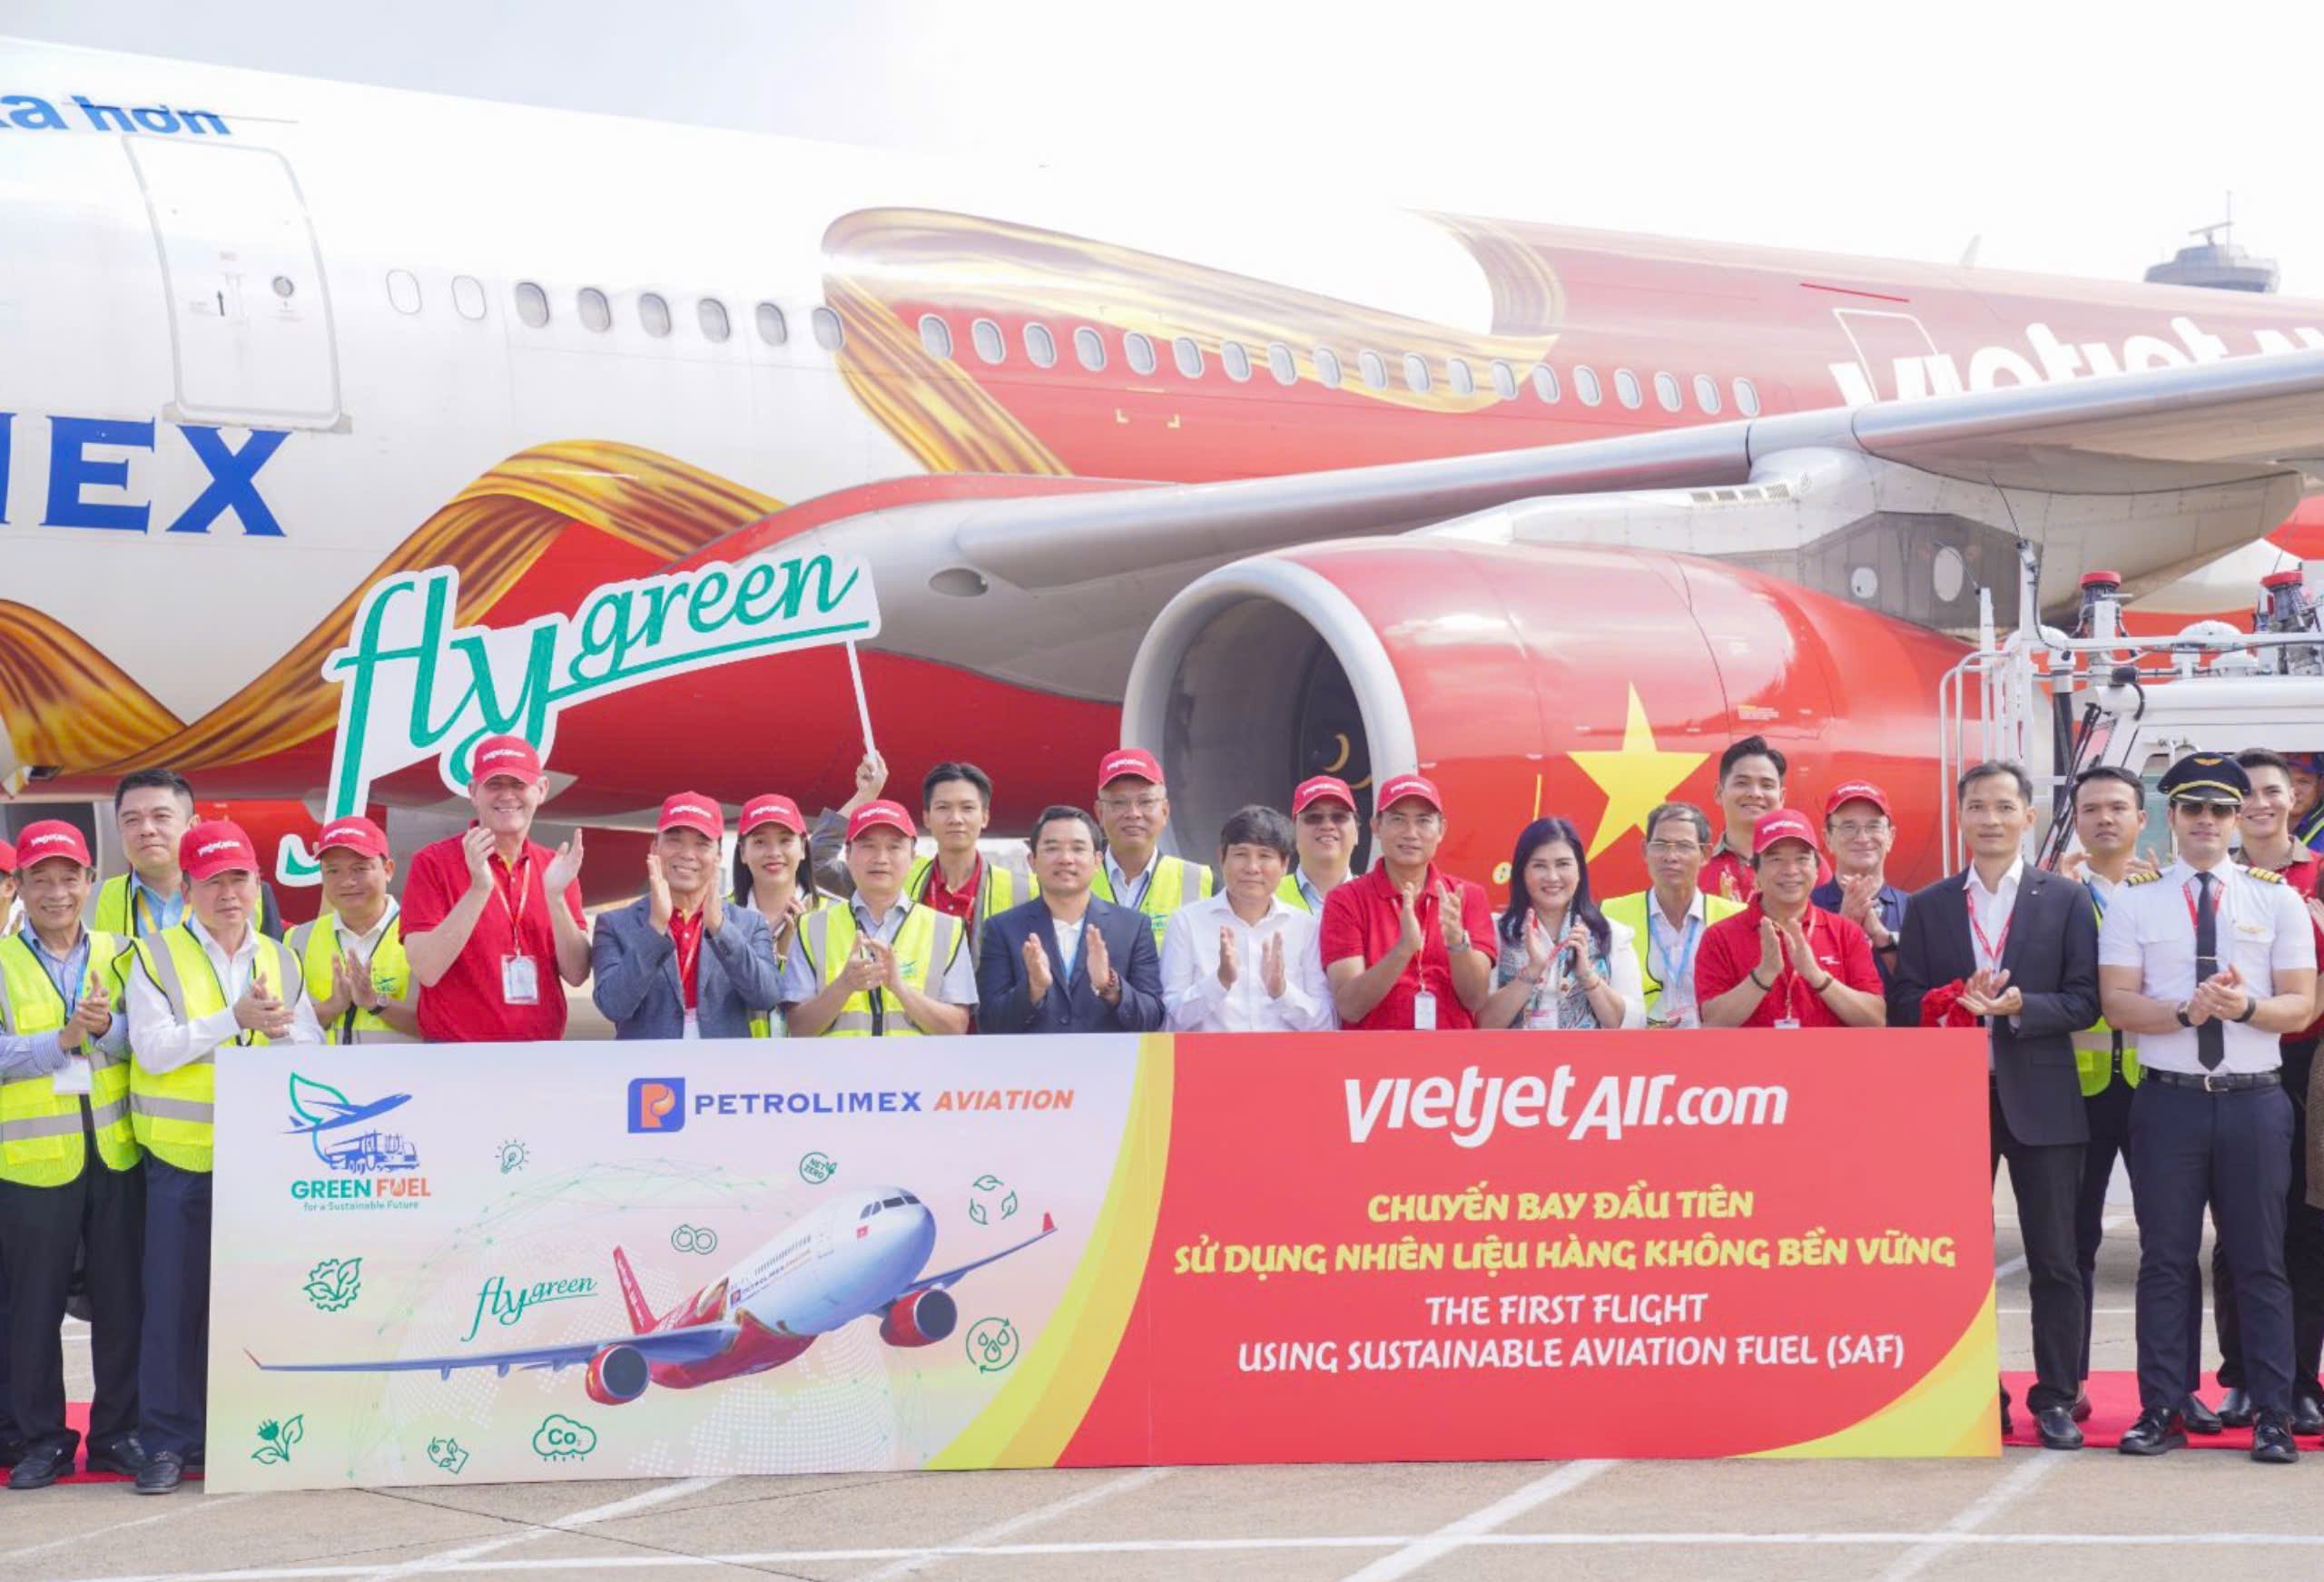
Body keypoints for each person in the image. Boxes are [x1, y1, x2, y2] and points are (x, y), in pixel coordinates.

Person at [2101, 753, 2317, 1462]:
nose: (2206, 821)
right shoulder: (2135, 900)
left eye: (2220, 809)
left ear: (2235, 818)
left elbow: (2300, 1004)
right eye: (2192, 808)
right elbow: (2117, 1002)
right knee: (2165, 1260)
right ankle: (2162, 1405)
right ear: (2171, 815)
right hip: (2170, 1102)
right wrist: (2185, 1013)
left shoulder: (2275, 898)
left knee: (2260, 1259)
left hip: (2254, 1100)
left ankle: (2273, 1413)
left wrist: (2245, 1006)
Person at [1888, 762, 2101, 1450]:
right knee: (1958, 1260)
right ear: (1961, 817)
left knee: (2055, 1258)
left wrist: (2019, 1006)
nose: (1990, 819)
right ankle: (1979, 1391)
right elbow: (1903, 1003)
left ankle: (2057, 1396)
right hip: (1954, 1102)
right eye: (1977, 806)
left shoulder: (2064, 899)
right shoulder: (1929, 905)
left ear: (2028, 817)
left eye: (2004, 806)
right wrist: (1953, 999)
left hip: (2043, 1098)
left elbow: (2085, 1001)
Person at [123, 820, 320, 1493]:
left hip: (260, 1164)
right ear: (187, 888)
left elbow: (311, 1051)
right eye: (212, 881)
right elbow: (153, 1049)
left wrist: (282, 1030)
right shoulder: (154, 956)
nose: (227, 893)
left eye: (239, 878)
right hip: (182, 1160)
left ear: (257, 884)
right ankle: (166, 1442)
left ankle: (231, 1434)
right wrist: (233, 1019)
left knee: (247, 1302)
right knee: (172, 1307)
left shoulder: (282, 958)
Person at [2058, 766, 2222, 1432]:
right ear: (2074, 819)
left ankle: (2176, 1387)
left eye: (2118, 807)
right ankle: (2067, 1381)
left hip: (2157, 1084)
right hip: (2079, 1092)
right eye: (2091, 808)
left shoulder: (2166, 893)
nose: (2105, 818)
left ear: (2141, 818)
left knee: (2171, 1243)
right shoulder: (2055, 894)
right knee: (2074, 1241)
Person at [0, 821, 146, 1489]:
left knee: (121, 1303)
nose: (56, 892)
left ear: (91, 881)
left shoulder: (125, 953)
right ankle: (42, 1438)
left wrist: (106, 1028)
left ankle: (118, 1433)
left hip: (116, 1154)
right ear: (18, 886)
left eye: (69, 877)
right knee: (31, 1310)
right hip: (31, 1163)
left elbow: (153, 1039)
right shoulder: (3, 960)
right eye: (40, 879)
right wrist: (58, 1041)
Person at [2216, 749, 2324, 1433]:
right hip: (2232, 1062)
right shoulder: (2209, 876)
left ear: (2296, 800)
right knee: (2238, 1229)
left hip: (2308, 1065)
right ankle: (2242, 1378)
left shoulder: (2319, 873)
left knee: (2306, 1227)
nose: (2260, 803)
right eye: (2246, 793)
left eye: (2272, 791)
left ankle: (2301, 1380)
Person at [400, 735, 588, 1044]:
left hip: (540, 1052)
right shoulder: (432, 862)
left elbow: (577, 973)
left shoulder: (555, 868)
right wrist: (478, 889)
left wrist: (556, 898)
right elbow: (427, 969)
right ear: (473, 792)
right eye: (494, 784)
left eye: (518, 784)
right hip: (457, 1054)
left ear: (541, 790)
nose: (507, 795)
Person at [593, 796, 781, 1040]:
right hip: (649, 1063)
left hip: (721, 1063)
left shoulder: (749, 924)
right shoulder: (614, 924)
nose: (688, 854)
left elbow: (766, 997)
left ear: (718, 856)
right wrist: (655, 928)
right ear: (654, 848)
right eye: (674, 840)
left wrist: (720, 929)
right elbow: (613, 1006)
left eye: (702, 844)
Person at [1318, 774, 1493, 1031]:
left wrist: (1458, 944)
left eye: (1423, 821)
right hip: (1375, 1053)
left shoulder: (1467, 896)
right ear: (1376, 826)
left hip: (1451, 1053)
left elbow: (1475, 999)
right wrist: (1403, 949)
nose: (1411, 833)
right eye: (1398, 819)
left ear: (1442, 829)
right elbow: (1350, 1007)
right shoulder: (1345, 900)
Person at [783, 801, 974, 1037]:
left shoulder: (948, 929)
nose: (881, 858)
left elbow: (957, 1027)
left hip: (917, 1064)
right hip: (838, 1064)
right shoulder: (810, 927)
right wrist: (844, 985)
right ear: (848, 854)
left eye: (894, 847)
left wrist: (900, 988)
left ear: (912, 857)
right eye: (868, 846)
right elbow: (798, 1028)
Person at [978, 807, 1167, 1034]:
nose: (1066, 859)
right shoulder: (1002, 929)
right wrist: (1033, 989)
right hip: (1033, 1058)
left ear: (1097, 861)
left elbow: (1153, 1018)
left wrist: (1110, 986)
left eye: (1078, 848)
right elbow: (988, 1022)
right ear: (1032, 861)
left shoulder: (1133, 927)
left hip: (1109, 1058)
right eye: (1052, 848)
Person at [1696, 810, 1883, 1029]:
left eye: (1802, 859)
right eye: (1776, 859)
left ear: (1817, 870)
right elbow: (1712, 1023)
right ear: (1756, 871)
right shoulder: (1719, 936)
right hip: (1750, 1053)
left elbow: (1875, 1020)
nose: (1790, 870)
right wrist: (1763, 974)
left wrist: (1817, 976)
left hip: (1827, 1053)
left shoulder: (1846, 932)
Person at [1159, 806, 1334, 1032]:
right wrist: (1219, 982)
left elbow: (1326, 1024)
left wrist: (1282, 992)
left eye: (1265, 856)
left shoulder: (1306, 927)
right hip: (1210, 1054)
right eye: (1241, 854)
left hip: (1284, 1055)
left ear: (1284, 864)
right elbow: (1169, 1020)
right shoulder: (1186, 922)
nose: (1252, 868)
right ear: (1221, 857)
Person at [1479, 817, 1645, 1030]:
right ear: (1522, 872)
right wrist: (1531, 972)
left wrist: (1588, 977)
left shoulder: (1611, 933)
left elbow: (1634, 1025)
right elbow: (1481, 1025)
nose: (1552, 877)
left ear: (1579, 871)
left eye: (1563, 864)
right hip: (1513, 1053)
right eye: (1539, 866)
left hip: (1588, 1052)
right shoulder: (1496, 932)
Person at [94, 770, 282, 939]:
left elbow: (274, 961)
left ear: (193, 826)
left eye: (161, 816)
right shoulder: (91, 901)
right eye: (131, 820)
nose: (146, 829)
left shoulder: (254, 895)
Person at [1603, 803, 1745, 1028]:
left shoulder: (1737, 918)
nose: (1671, 856)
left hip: (1715, 1043)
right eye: (1660, 845)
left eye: (1683, 846)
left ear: (1705, 854)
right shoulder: (1609, 916)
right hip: (1638, 1045)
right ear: (1645, 851)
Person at [287, 817, 419, 1046]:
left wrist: (376, 1002)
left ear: (388, 870)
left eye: (360, 869)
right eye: (333, 871)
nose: (347, 882)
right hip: (322, 1070)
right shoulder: (298, 938)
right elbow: (281, 1031)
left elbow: (444, 1025)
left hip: (404, 1070)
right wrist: (332, 1006)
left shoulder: (423, 935)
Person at [729, 793, 836, 1038]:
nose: (773, 852)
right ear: (742, 852)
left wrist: (798, 951)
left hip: (817, 1060)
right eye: (760, 842)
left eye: (785, 840)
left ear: (803, 848)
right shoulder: (719, 919)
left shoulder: (836, 914)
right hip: (740, 1059)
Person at [906, 762, 1034, 959]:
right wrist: (865, 795)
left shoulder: (1025, 890)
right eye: (943, 807)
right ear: (927, 818)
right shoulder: (900, 879)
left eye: (967, 808)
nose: (956, 819)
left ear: (984, 817)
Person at [1088, 749, 1214, 948]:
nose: (1133, 813)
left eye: (1146, 802)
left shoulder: (1202, 882)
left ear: (1165, 811)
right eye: (1119, 803)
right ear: (1100, 813)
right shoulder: (1068, 879)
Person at [1698, 737, 1829, 904]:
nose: (1755, 793)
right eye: (1742, 783)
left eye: (1766, 785)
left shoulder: (1808, 864)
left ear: (1781, 797)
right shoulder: (1697, 866)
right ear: (1718, 792)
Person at [1810, 781, 1907, 989]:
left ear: (1890, 837)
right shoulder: (1807, 908)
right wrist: (1843, 927)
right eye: (1848, 827)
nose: (1862, 838)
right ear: (1827, 839)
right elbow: (1800, 987)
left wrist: (1881, 936)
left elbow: (1924, 989)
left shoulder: (1916, 910)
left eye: (1873, 826)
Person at [1277, 775, 1359, 914]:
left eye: (1339, 816)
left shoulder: (1376, 900)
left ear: (1356, 832)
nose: (1327, 825)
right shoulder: (1267, 897)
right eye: (1313, 817)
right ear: (1294, 832)